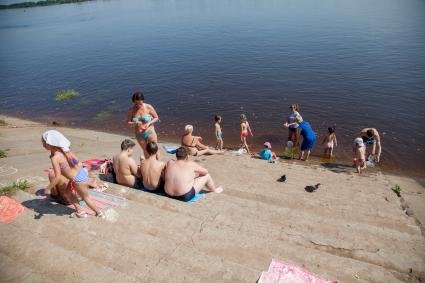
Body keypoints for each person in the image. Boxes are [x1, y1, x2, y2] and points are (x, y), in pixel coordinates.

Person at [42, 130, 104, 218]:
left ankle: (99, 213)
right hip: (80, 174)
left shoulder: (55, 158)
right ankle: (80, 211)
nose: (43, 144)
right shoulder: (64, 150)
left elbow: (57, 176)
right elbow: (78, 162)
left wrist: (48, 188)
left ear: (49, 144)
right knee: (68, 193)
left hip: (78, 180)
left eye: (43, 142)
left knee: (86, 198)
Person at [127, 92, 160, 159]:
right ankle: (148, 165)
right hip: (139, 135)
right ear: (133, 102)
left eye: (140, 103)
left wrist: (148, 123)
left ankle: (158, 165)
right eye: (136, 103)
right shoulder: (131, 110)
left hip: (150, 132)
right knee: (145, 151)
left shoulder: (148, 107)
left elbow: (156, 117)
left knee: (155, 150)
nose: (138, 105)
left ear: (143, 100)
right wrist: (134, 123)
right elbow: (128, 122)